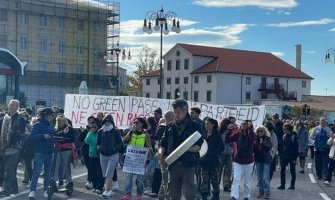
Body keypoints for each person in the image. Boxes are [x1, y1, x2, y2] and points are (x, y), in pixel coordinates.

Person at [158, 99, 203, 200]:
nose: (176, 115)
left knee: (190, 194)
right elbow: (163, 143)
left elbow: (198, 147)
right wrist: (160, 152)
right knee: (173, 195)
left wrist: (183, 149)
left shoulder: (195, 126)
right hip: (173, 166)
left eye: (178, 112)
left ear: (185, 111)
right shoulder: (170, 126)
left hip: (188, 166)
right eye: (175, 112)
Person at [28, 107, 55, 199]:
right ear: (46, 115)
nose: (53, 117)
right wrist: (43, 135)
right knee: (37, 172)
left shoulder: (51, 125)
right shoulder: (37, 125)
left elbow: (53, 136)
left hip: (50, 152)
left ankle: (45, 191)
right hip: (40, 152)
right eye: (51, 115)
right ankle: (32, 191)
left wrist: (62, 133)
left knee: (47, 173)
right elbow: (32, 137)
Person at [122, 117, 152, 200]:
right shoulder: (131, 133)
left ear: (142, 124)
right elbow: (124, 140)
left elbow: (149, 147)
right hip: (130, 160)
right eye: (134, 122)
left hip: (141, 161)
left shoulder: (145, 134)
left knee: (140, 180)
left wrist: (147, 160)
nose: (135, 124)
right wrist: (131, 131)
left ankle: (139, 195)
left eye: (137, 122)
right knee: (128, 178)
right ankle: (127, 194)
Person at [0, 99, 25, 197]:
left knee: (9, 169)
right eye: (10, 105)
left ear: (17, 107)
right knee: (10, 169)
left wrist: (12, 132)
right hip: (4, 148)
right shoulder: (4, 118)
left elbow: (22, 134)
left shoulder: (20, 119)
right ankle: (14, 188)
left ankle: (6, 189)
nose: (11, 107)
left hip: (15, 148)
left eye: (13, 105)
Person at [225, 120, 256, 200]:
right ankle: (234, 196)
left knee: (247, 180)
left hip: (249, 160)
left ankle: (246, 196)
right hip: (238, 160)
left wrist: (250, 129)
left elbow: (253, 138)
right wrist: (229, 130)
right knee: (236, 178)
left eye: (246, 124)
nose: (244, 125)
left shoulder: (251, 134)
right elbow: (227, 140)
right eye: (243, 124)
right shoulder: (237, 134)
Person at [97, 115, 124, 198]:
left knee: (109, 173)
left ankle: (106, 190)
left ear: (112, 122)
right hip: (103, 155)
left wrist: (115, 148)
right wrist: (99, 149)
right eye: (105, 121)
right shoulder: (100, 131)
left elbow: (121, 143)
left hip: (113, 155)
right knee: (105, 174)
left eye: (108, 121)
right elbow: (98, 142)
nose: (107, 123)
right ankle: (110, 190)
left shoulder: (116, 131)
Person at [200, 118, 224, 200]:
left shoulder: (217, 135)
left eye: (208, 124)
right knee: (204, 179)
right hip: (204, 161)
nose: (206, 125)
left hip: (214, 161)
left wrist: (213, 153)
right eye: (205, 124)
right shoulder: (204, 134)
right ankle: (204, 195)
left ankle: (216, 195)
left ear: (212, 125)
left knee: (214, 179)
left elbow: (221, 147)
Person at [53, 115, 75, 188]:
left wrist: (63, 138)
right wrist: (62, 135)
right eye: (59, 121)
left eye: (62, 121)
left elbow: (72, 139)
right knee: (56, 166)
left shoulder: (69, 129)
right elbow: (54, 136)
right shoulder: (56, 129)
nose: (60, 123)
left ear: (65, 121)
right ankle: (54, 182)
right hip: (57, 149)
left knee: (67, 166)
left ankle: (69, 181)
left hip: (66, 150)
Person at [157, 111, 175, 200]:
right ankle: (167, 197)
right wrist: (160, 152)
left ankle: (161, 197)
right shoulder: (163, 129)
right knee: (166, 180)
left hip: (171, 156)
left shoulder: (173, 128)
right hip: (165, 157)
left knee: (166, 180)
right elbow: (161, 144)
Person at [85, 119, 104, 195]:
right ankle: (95, 187)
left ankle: (100, 188)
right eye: (91, 126)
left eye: (94, 126)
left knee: (100, 172)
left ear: (98, 127)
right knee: (93, 172)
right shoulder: (90, 134)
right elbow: (86, 141)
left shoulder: (101, 133)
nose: (93, 127)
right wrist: (90, 134)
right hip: (92, 155)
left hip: (100, 155)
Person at [277, 123, 298, 190]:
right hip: (284, 156)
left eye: (284, 129)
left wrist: (295, 158)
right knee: (282, 171)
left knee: (292, 171)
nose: (283, 130)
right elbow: (281, 147)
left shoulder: (293, 137)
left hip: (292, 157)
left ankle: (292, 185)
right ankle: (282, 184)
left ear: (288, 129)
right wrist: (280, 155)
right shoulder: (284, 136)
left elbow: (296, 148)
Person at [254, 125, 272, 199]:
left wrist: (262, 143)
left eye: (261, 131)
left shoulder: (267, 138)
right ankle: (261, 191)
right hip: (258, 159)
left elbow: (269, 147)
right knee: (260, 177)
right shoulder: (255, 139)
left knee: (265, 177)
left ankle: (267, 192)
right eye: (258, 131)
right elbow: (253, 149)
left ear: (264, 132)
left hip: (266, 160)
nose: (259, 133)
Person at [218, 118, 233, 193]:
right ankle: (216, 185)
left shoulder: (230, 132)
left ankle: (226, 185)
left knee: (228, 170)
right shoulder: (220, 132)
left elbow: (232, 141)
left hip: (229, 153)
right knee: (219, 170)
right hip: (221, 153)